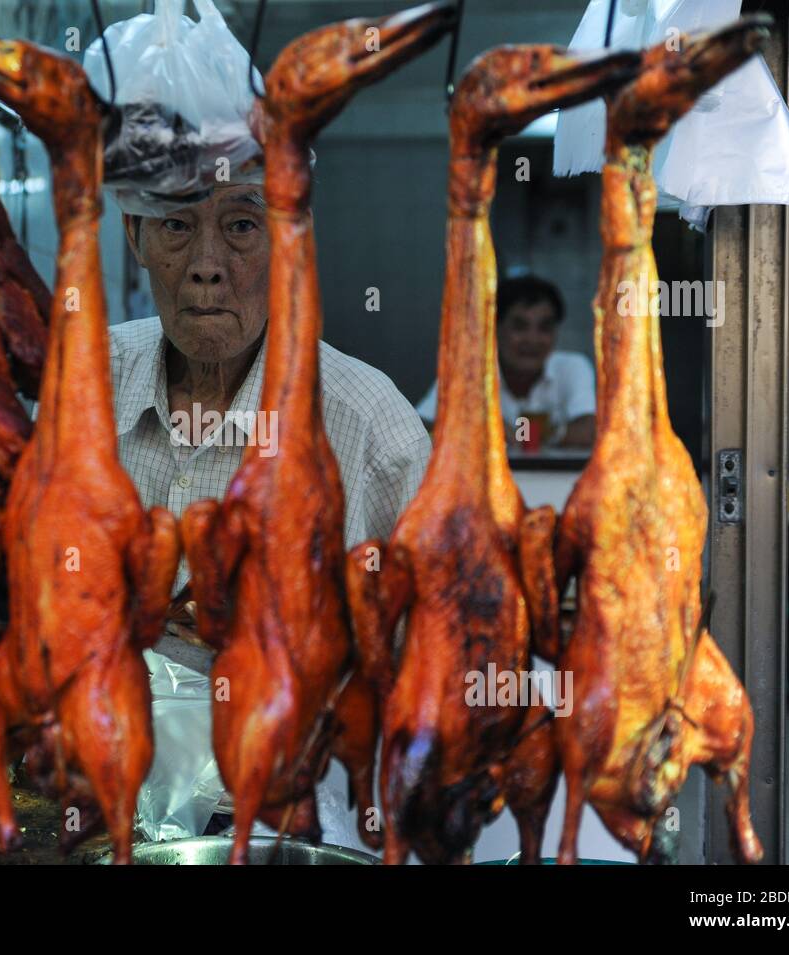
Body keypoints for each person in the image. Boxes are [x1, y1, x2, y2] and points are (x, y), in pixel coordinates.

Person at [110, 181, 432, 849]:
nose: (207, 262)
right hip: (90, 808)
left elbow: (427, 683)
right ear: (133, 234)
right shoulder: (84, 381)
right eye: (175, 224)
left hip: (290, 827)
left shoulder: (370, 428)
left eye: (241, 226)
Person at [415, 273, 597, 450]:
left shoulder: (572, 367)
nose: (532, 340)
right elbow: (418, 427)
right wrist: (474, 427)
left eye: (545, 328)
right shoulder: (470, 372)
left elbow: (588, 431)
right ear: (495, 329)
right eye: (519, 326)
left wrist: (533, 433)